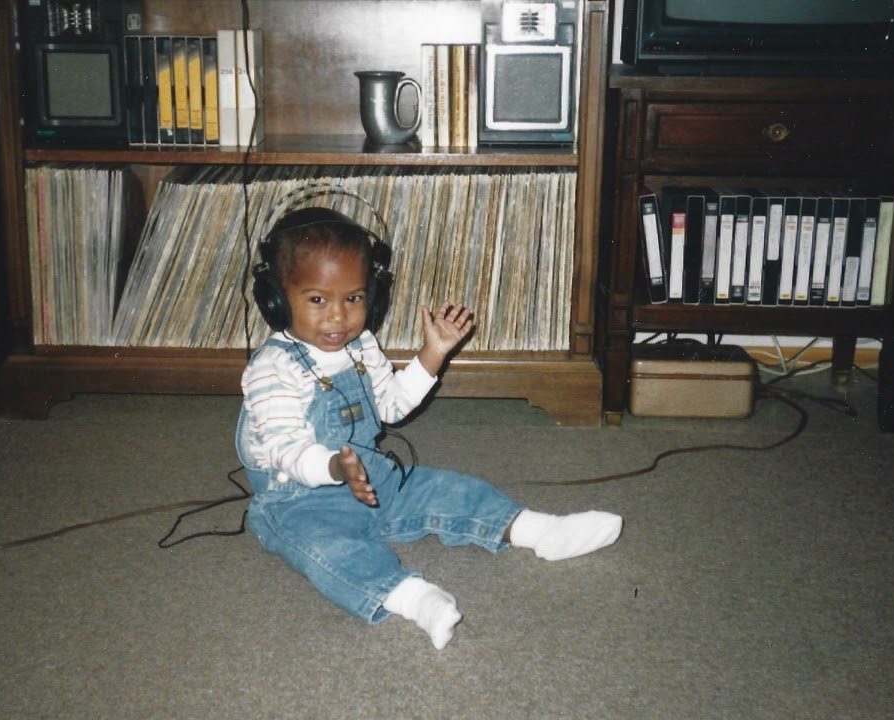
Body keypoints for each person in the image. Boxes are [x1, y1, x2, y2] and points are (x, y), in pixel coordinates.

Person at [236, 206, 622, 649]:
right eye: (318, 300)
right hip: (296, 500)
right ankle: (414, 597)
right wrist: (336, 468)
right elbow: (285, 448)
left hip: (371, 476)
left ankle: (539, 530)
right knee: (325, 551)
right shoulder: (273, 369)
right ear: (276, 298)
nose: (338, 317)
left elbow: (391, 405)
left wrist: (432, 353)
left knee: (445, 488)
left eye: (354, 298)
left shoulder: (361, 345)